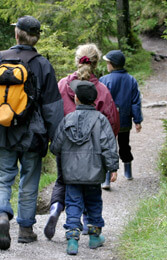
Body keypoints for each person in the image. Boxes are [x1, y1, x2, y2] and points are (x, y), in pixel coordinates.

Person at [0, 15, 64, 250]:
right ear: (36, 38)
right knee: (29, 181)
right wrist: (56, 138)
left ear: (17, 34)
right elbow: (53, 107)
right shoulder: (43, 64)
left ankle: (2, 215)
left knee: (3, 178)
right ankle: (25, 229)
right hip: (33, 135)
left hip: (2, 132)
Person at [44, 43, 120, 240]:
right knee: (91, 186)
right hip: (94, 151)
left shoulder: (62, 85)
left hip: (65, 149)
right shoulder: (101, 90)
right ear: (96, 64)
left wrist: (55, 142)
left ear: (77, 61)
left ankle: (56, 208)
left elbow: (51, 113)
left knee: (66, 183)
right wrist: (109, 156)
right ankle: (90, 225)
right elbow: (111, 123)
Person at [50, 80, 119, 255]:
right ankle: (95, 237)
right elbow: (109, 146)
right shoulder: (101, 120)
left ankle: (72, 240)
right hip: (94, 172)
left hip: (71, 173)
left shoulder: (68, 119)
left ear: (77, 100)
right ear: (94, 101)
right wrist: (113, 168)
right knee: (94, 202)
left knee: (73, 203)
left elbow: (55, 146)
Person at [99, 50, 143, 188]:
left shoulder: (104, 80)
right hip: (124, 120)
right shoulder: (131, 80)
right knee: (124, 145)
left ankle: (106, 179)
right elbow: (135, 102)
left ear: (112, 64)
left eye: (107, 63)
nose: (106, 65)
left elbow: (101, 101)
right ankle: (128, 172)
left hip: (108, 122)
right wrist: (137, 120)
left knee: (107, 148)